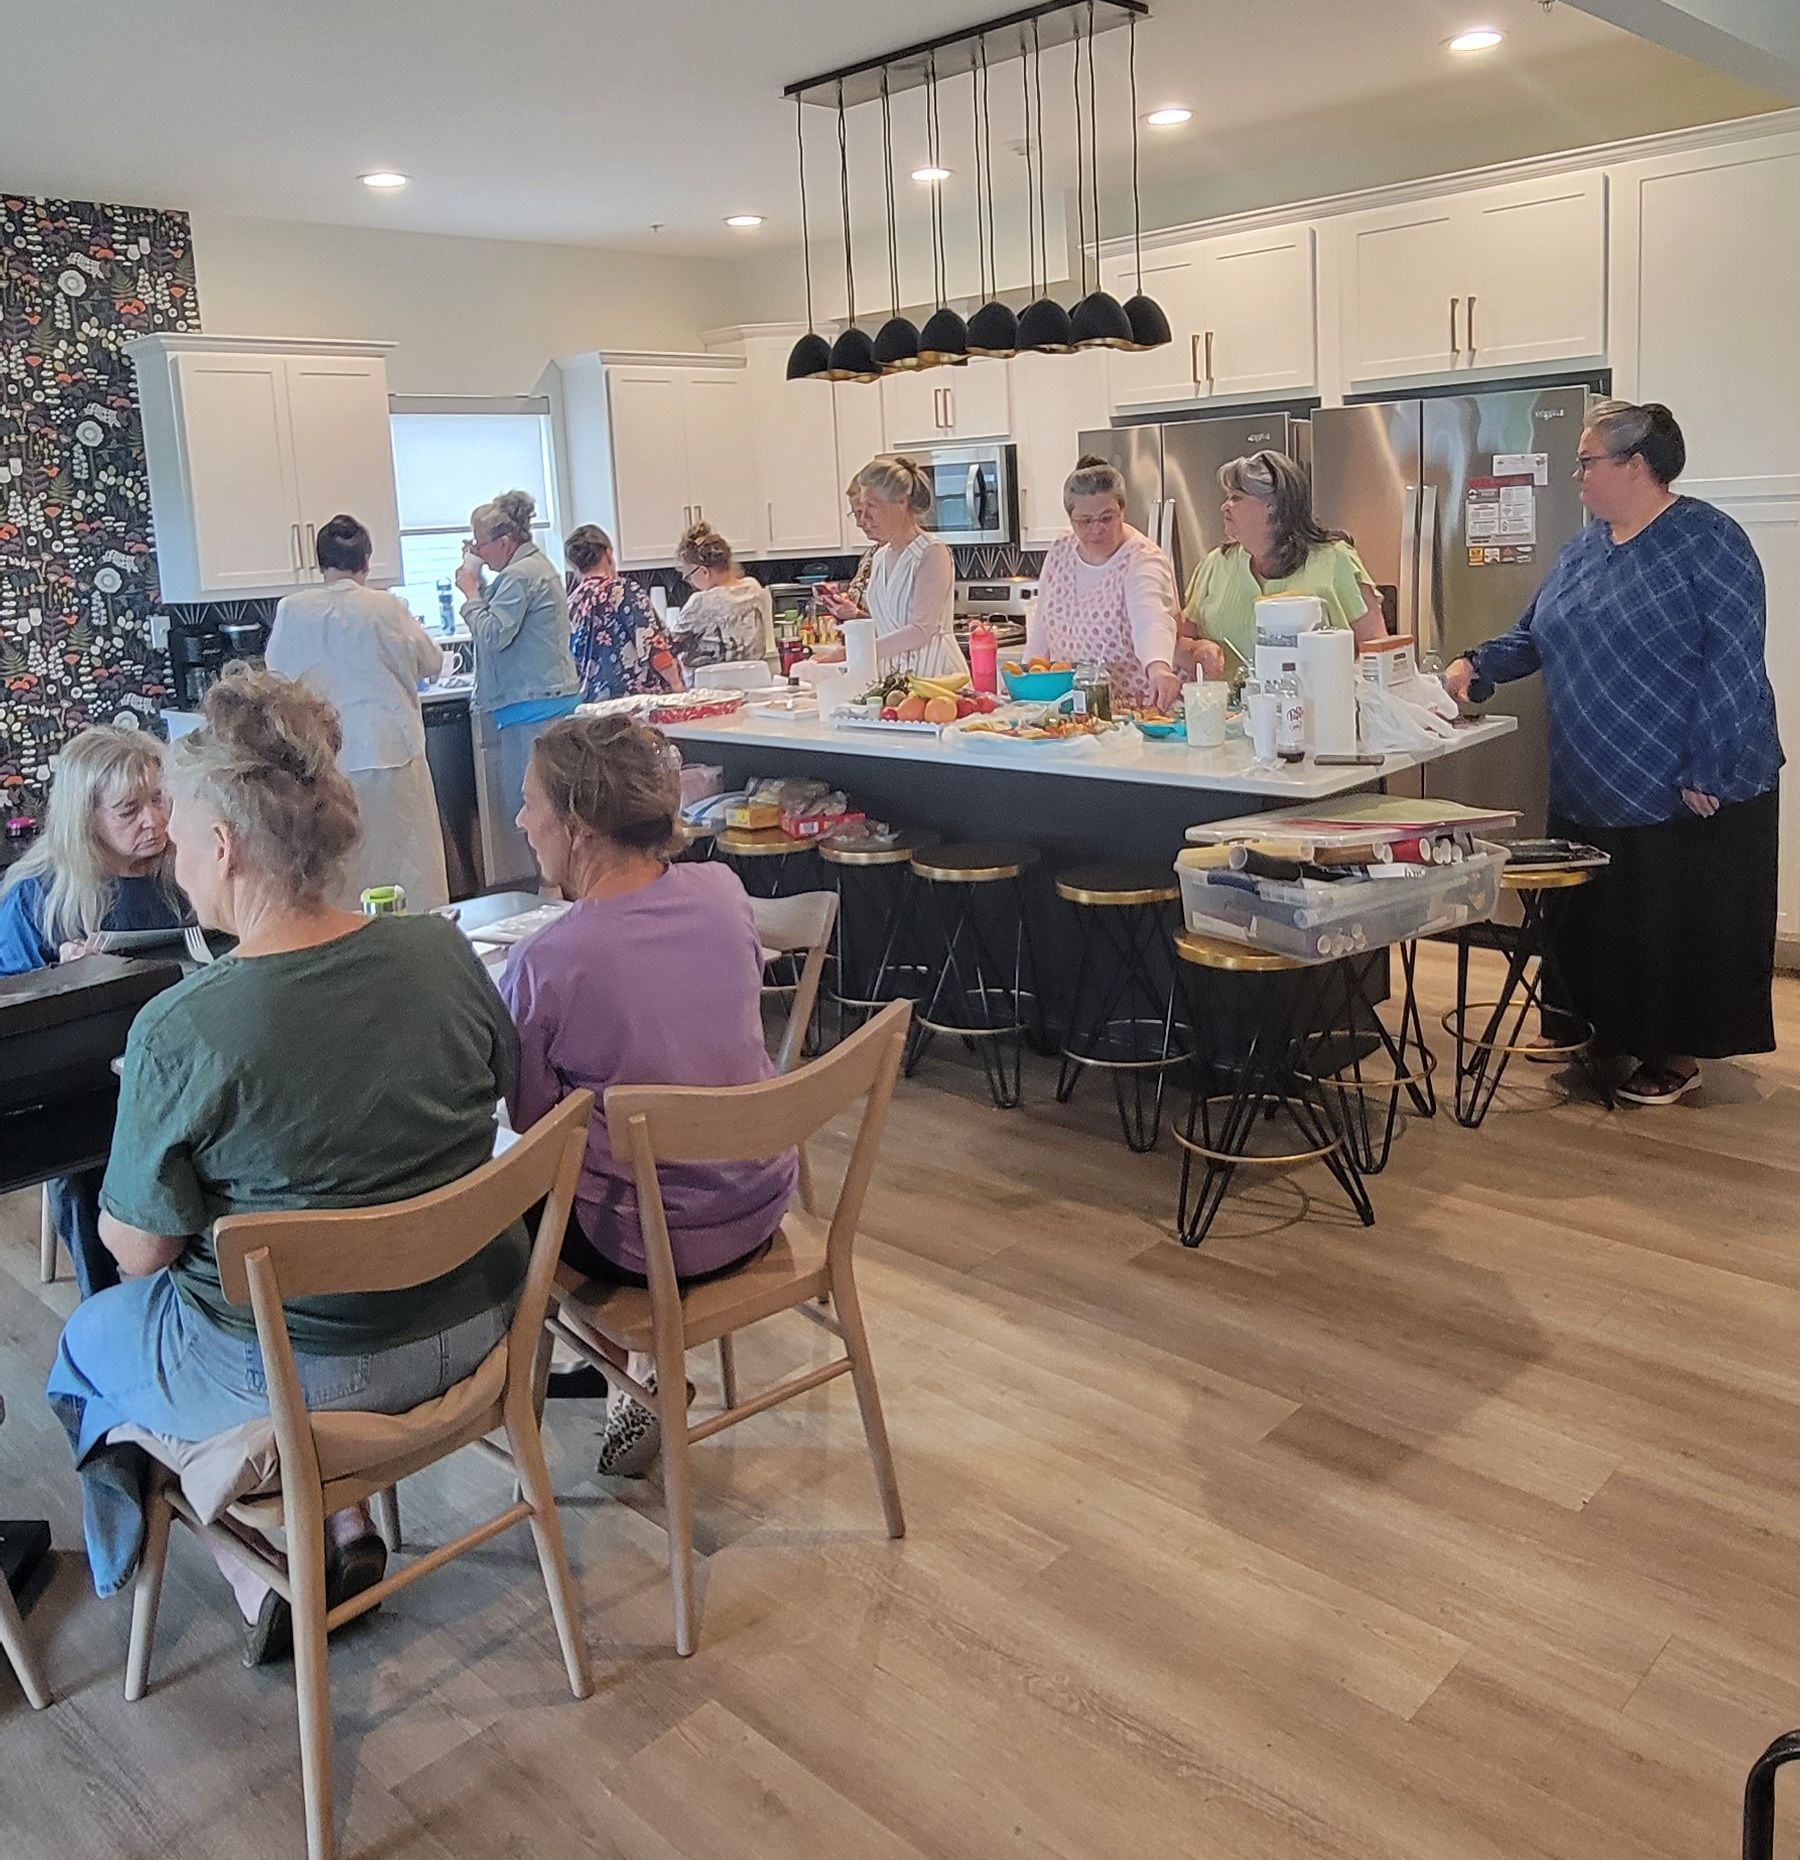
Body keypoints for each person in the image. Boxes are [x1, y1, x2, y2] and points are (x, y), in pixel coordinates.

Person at [45, 669, 528, 1663]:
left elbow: (138, 1254)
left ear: (221, 845)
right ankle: (332, 1528)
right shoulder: (441, 954)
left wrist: (156, 1104)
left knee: (88, 1343)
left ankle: (251, 1552)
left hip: (320, 1378)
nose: (176, 861)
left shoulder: (184, 1027)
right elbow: (506, 1093)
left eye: (179, 838)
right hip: (481, 1322)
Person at [1445, 399, 1783, 1107]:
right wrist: (1476, 664)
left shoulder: (1708, 540)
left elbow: (1735, 660)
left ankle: (1671, 1052)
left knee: (1666, 917)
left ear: (1636, 466)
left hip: (1681, 780)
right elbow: (1535, 634)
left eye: (1588, 460)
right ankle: (1592, 1028)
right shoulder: (1586, 546)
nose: (1576, 475)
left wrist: (1708, 765)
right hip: (1591, 769)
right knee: (1598, 915)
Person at [499, 712, 797, 1476]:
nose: (520, 819)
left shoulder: (549, 961)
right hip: (759, 1201)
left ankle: (621, 1371)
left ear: (580, 829)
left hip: (649, 1247)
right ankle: (624, 1377)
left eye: (532, 803)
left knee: (509, 1197)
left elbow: (535, 1124)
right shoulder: (724, 892)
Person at [1, 726, 193, 1298]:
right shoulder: (37, 898)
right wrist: (65, 979)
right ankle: (107, 1303)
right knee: (88, 1163)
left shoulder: (188, 868)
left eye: (160, 800)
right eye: (129, 810)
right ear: (85, 819)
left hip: (184, 1068)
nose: (153, 821)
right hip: (86, 1087)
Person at [265, 512, 450, 912]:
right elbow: (431, 661)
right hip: (390, 749)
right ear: (366, 560)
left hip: (322, 755)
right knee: (409, 864)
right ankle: (418, 941)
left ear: (319, 563)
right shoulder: (385, 606)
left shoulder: (291, 610)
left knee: (342, 865)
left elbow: (276, 676)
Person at [455, 489, 581, 884]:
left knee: (536, 806)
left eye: (480, 544)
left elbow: (493, 634)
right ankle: (563, 891)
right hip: (544, 699)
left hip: (532, 706)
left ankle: (552, 893)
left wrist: (471, 594)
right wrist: (476, 569)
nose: (477, 551)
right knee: (556, 806)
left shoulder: (518, 577)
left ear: (504, 542)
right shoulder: (531, 569)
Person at [1180, 450, 1386, 681]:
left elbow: (1377, 650)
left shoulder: (1335, 561)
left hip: (1322, 710)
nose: (1224, 506)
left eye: (1236, 498)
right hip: (1227, 713)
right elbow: (1179, 641)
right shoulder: (1214, 565)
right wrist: (1195, 650)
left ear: (1272, 506)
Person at [1026, 456, 1184, 713]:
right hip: (1070, 710)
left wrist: (1158, 668)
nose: (1097, 529)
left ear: (1122, 511)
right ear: (1071, 518)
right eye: (1085, 521)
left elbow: (1151, 620)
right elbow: (1042, 627)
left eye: (1107, 518)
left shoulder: (1142, 559)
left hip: (1134, 711)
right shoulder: (1060, 550)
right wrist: (1027, 684)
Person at [847, 455, 968, 679]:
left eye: (872, 506)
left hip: (935, 678)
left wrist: (858, 652)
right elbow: (886, 622)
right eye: (861, 508)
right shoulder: (880, 557)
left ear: (901, 503)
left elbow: (920, 631)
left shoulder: (931, 552)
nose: (863, 519)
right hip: (891, 678)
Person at [565, 523, 681, 702]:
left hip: (591, 704)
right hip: (635, 702)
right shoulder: (623, 591)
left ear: (574, 565)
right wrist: (676, 685)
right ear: (608, 554)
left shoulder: (571, 603)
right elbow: (652, 645)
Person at [667, 521, 775, 671]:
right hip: (755, 679)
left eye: (689, 577)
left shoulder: (700, 601)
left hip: (713, 685)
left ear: (704, 571)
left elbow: (670, 646)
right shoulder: (754, 588)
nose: (690, 583)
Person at [813, 479, 878, 623]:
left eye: (864, 512)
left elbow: (902, 626)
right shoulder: (871, 554)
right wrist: (841, 598)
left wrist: (856, 614)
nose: (859, 522)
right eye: (855, 514)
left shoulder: (902, 557)